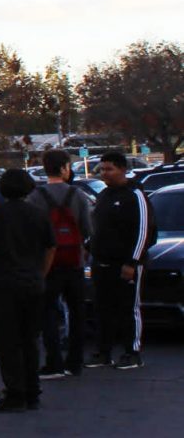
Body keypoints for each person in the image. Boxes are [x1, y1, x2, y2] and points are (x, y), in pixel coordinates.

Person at [0, 169, 55, 412]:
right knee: (30, 338)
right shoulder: (38, 214)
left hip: (4, 283)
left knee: (7, 341)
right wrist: (41, 273)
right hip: (32, 282)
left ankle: (14, 392)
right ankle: (33, 390)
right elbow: (51, 247)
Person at [26, 149, 92, 379]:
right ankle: (75, 361)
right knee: (77, 312)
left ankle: (53, 361)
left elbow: (30, 233)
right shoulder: (77, 195)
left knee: (48, 313)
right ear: (64, 168)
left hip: (47, 263)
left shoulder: (35, 197)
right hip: (74, 261)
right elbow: (88, 229)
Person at [86, 152, 155, 370]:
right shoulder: (104, 195)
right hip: (101, 262)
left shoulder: (135, 195)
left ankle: (132, 352)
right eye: (102, 169)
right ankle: (103, 352)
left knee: (128, 308)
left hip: (126, 263)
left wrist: (132, 262)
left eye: (109, 169)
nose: (105, 173)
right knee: (102, 308)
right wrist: (90, 248)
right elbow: (95, 227)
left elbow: (144, 231)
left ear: (122, 169)